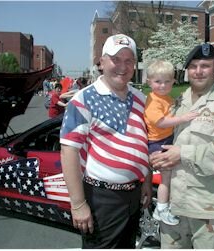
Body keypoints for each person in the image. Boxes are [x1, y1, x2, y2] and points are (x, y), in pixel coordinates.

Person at [149, 43, 214, 249]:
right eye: (193, 66)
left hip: (207, 210)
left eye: (205, 65)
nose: (198, 71)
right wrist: (155, 155)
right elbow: (159, 135)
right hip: (174, 208)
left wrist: (182, 154)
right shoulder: (177, 102)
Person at [60, 34, 152, 249]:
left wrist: (146, 180)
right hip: (101, 199)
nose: (123, 66)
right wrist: (78, 204)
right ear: (102, 62)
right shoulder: (83, 100)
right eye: (116, 59)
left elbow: (143, 143)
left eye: (129, 60)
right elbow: (69, 152)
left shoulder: (141, 99)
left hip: (134, 195)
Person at [144, 60, 199, 226]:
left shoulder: (165, 98)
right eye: (158, 82)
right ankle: (161, 209)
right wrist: (182, 119)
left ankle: (165, 206)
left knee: (171, 177)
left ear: (174, 81)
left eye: (167, 81)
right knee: (166, 178)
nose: (163, 85)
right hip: (158, 143)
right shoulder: (153, 100)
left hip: (166, 139)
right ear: (149, 82)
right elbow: (160, 122)